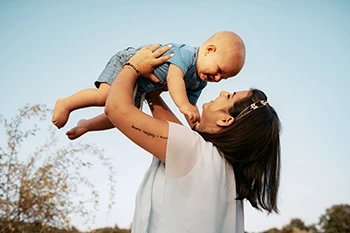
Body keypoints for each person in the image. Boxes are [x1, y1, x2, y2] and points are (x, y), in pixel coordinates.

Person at [89, 44, 281, 232]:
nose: (223, 91)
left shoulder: (194, 151)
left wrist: (132, 66)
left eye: (230, 96)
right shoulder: (225, 172)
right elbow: (175, 132)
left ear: (226, 119)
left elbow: (116, 109)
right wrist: (153, 92)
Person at [52, 31, 246, 133]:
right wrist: (184, 105)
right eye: (219, 70)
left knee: (124, 116)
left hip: (140, 85)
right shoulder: (187, 55)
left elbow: (190, 107)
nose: (218, 79)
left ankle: (86, 125)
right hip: (128, 62)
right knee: (104, 96)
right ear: (209, 50)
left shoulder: (199, 83)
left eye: (224, 78)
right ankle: (66, 103)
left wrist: (194, 121)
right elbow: (174, 79)